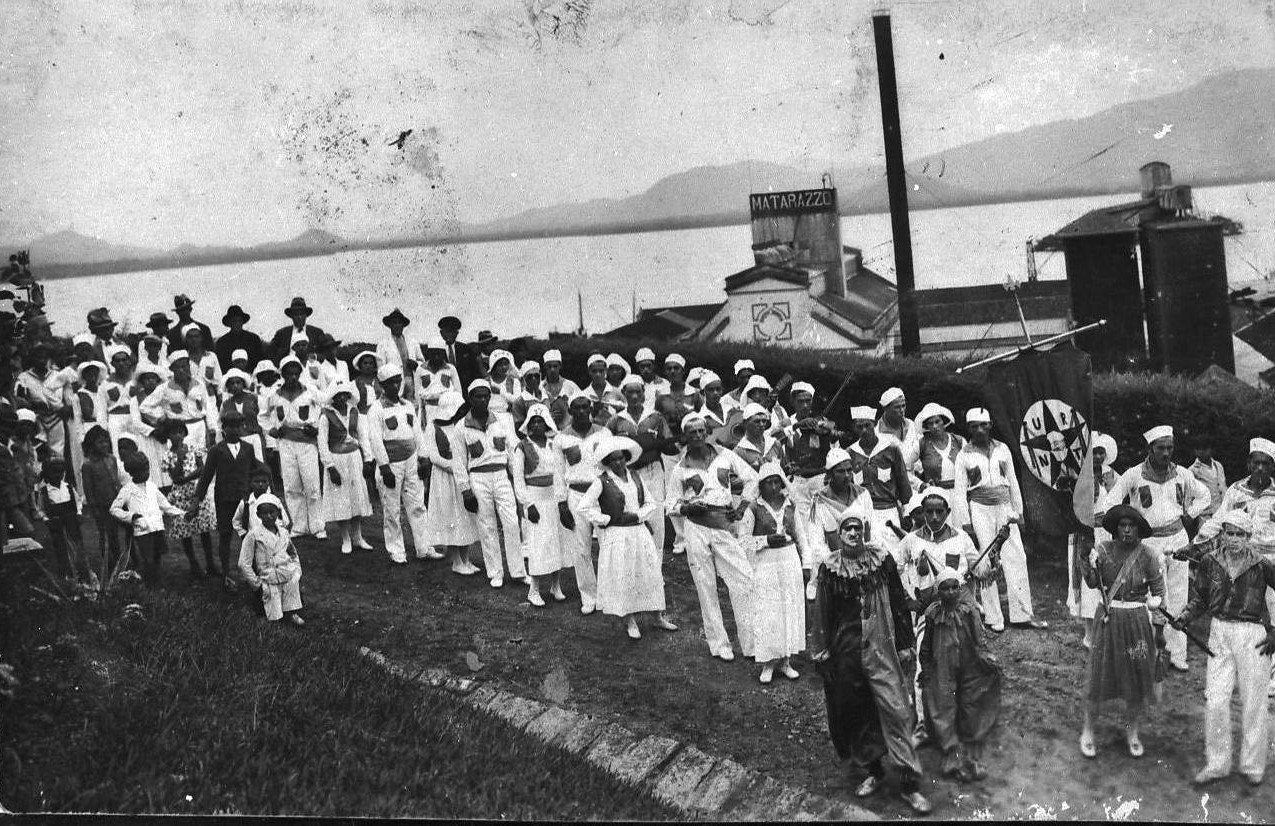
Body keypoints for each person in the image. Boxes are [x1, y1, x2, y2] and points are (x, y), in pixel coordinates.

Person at [809, 503, 930, 815]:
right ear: (838, 533)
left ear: (864, 531)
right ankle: (874, 771)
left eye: (857, 528)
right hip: (847, 651)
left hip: (882, 646)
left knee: (897, 709)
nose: (853, 533)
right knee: (858, 713)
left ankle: (909, 784)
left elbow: (898, 600)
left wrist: (904, 643)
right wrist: (822, 653)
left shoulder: (880, 560)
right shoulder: (829, 567)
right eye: (847, 528)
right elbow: (821, 611)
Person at [1171, 510, 1275, 786]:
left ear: (1249, 537)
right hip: (1220, 630)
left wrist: (1274, 630)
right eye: (1229, 533)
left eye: (1240, 534)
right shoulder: (1210, 561)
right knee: (1216, 699)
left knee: (1254, 700)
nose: (1234, 539)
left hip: (1252, 632)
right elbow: (1201, 598)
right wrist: (1184, 617)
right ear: (1223, 534)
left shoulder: (1262, 564)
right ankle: (1217, 763)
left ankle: (1253, 766)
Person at [1099, 425, 1209, 670]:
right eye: (1161, 448)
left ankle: (1177, 654)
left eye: (1170, 448)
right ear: (1150, 448)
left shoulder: (1181, 474)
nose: (1166, 453)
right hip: (1148, 544)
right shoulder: (1134, 475)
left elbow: (1205, 496)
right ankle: (1146, 654)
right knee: (1151, 599)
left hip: (1178, 540)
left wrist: (1189, 515)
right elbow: (1110, 503)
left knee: (1179, 597)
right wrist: (1124, 530)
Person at [665, 410, 759, 661]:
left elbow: (753, 479)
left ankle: (750, 643)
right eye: (691, 432)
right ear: (685, 436)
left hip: (723, 525)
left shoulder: (725, 456)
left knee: (744, 580)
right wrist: (686, 508)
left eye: (701, 431)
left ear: (707, 432)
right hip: (696, 528)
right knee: (705, 586)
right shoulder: (679, 469)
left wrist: (741, 508)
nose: (697, 435)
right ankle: (719, 644)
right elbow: (670, 505)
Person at [1075, 504, 1166, 760]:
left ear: (1139, 530)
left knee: (1137, 677)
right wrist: (1086, 559)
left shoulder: (1149, 555)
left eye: (1132, 526)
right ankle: (1088, 731)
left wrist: (1159, 633)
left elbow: (1160, 595)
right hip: (1108, 618)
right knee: (1098, 675)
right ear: (1116, 529)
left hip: (1137, 622)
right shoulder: (1103, 550)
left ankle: (1133, 732)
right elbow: (1093, 583)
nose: (1126, 531)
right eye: (1122, 526)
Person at [578, 434, 679, 640]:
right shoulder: (601, 481)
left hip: (639, 531)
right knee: (625, 575)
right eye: (613, 459)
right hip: (618, 534)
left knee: (649, 572)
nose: (618, 462)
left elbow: (650, 502)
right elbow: (583, 507)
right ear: (607, 462)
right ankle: (630, 620)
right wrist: (604, 519)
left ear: (626, 458)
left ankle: (657, 615)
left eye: (621, 458)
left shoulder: (635, 476)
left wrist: (640, 515)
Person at [955, 407, 1047, 632]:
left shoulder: (1002, 449)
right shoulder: (964, 454)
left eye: (983, 425)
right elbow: (959, 492)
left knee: (1016, 557)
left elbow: (1013, 481)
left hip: (1005, 508)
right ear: (968, 428)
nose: (979, 430)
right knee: (987, 559)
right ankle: (993, 617)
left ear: (990, 425)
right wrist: (966, 524)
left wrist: (1019, 512)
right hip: (980, 509)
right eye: (974, 426)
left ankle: (1022, 614)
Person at [919, 567, 1003, 782]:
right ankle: (952, 756)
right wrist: (926, 668)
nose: (951, 592)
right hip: (943, 664)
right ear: (938, 592)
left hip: (968, 661)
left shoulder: (968, 611)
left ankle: (971, 756)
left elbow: (979, 639)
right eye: (945, 588)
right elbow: (926, 645)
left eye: (955, 587)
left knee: (971, 704)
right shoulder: (932, 613)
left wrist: (986, 658)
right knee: (944, 706)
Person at [739, 461, 806, 684]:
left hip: (788, 560)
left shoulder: (790, 506)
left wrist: (806, 565)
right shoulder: (753, 508)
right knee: (768, 609)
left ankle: (786, 661)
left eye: (778, 482)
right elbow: (743, 540)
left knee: (788, 607)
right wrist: (766, 540)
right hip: (766, 562)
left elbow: (801, 536)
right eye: (769, 483)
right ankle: (768, 662)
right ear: (761, 485)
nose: (774, 487)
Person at [453, 380, 525, 587]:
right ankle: (495, 572)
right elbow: (458, 462)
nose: (483, 400)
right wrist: (466, 491)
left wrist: (516, 478)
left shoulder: (502, 421)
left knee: (511, 522)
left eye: (486, 396)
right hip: (479, 478)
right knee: (487, 525)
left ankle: (519, 571)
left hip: (501, 475)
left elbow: (512, 450)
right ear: (470, 399)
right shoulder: (461, 427)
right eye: (478, 396)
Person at [367, 364, 434, 565]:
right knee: (392, 508)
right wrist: (384, 466)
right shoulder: (376, 409)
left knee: (417, 504)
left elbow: (417, 433)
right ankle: (396, 549)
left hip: (411, 460)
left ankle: (424, 547)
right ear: (382, 385)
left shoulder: (406, 405)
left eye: (398, 381)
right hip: (391, 462)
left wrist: (423, 457)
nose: (395, 386)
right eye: (390, 383)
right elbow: (375, 440)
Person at [607, 375, 678, 552]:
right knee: (633, 518)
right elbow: (607, 447)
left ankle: (656, 573)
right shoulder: (617, 420)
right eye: (630, 392)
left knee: (655, 520)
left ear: (644, 394)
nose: (634, 396)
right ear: (623, 394)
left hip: (653, 471)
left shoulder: (656, 417)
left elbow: (670, 446)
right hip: (628, 474)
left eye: (638, 392)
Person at [511, 404, 572, 606]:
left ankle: (556, 585)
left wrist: (562, 500)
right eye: (534, 421)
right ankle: (534, 589)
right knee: (538, 543)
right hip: (535, 498)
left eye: (541, 421)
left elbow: (561, 472)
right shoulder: (522, 447)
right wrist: (528, 504)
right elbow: (518, 479)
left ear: (547, 423)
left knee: (556, 540)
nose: (538, 425)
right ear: (529, 424)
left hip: (553, 496)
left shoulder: (554, 444)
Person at [555, 392, 610, 613]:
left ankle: (608, 593)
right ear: (570, 411)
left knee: (607, 543)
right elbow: (558, 473)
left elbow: (611, 465)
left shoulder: (604, 433)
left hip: (600, 493)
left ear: (591, 409)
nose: (580, 412)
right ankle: (589, 596)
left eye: (585, 407)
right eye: (576, 408)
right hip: (575, 495)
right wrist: (561, 504)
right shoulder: (561, 438)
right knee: (581, 547)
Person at [192, 411, 260, 588]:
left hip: (244, 500)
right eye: (231, 427)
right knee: (225, 536)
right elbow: (206, 476)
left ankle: (251, 571)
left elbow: (255, 471)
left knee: (249, 535)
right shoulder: (216, 450)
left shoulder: (248, 448)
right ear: (224, 428)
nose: (235, 430)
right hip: (224, 499)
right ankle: (226, 573)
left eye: (239, 426)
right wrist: (196, 501)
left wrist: (262, 492)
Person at [1069, 431, 1119, 649]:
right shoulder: (1082, 477)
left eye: (1101, 453)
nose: (1098, 457)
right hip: (1089, 533)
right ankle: (1089, 634)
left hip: (1108, 534)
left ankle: (1105, 628)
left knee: (1108, 581)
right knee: (1090, 580)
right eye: (1094, 453)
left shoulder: (1111, 475)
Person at [267, 355, 325, 539]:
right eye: (288, 373)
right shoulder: (275, 396)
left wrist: (315, 427)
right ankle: (299, 526)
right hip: (285, 443)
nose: (292, 376)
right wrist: (272, 430)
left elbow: (324, 407)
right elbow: (263, 416)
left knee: (312, 483)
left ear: (300, 373)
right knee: (291, 485)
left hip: (306, 443)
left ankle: (318, 526)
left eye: (295, 373)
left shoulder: (310, 392)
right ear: (282, 374)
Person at [846, 405, 912, 567]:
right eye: (859, 426)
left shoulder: (891, 449)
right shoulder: (850, 453)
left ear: (874, 424)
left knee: (895, 558)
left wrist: (908, 511)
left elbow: (903, 483)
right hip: (863, 513)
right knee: (869, 559)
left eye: (867, 425)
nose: (863, 430)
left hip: (888, 511)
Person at [422, 391, 480, 574]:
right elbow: (433, 456)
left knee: (465, 517)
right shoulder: (432, 427)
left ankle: (466, 558)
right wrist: (454, 466)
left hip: (462, 476)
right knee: (451, 517)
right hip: (444, 478)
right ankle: (456, 561)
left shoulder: (461, 426)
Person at [109, 453, 187, 587]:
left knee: (157, 556)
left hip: (157, 527)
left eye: (147, 469)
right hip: (143, 530)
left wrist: (183, 513)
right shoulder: (127, 490)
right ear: (132, 473)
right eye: (142, 471)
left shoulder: (152, 486)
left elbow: (165, 505)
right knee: (148, 558)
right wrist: (131, 516)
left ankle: (157, 580)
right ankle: (151, 585)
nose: (146, 473)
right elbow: (114, 509)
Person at [809, 447, 875, 598]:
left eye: (849, 470)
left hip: (863, 565)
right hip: (835, 570)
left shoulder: (863, 495)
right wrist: (837, 568)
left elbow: (873, 530)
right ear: (830, 474)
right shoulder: (818, 500)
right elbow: (817, 542)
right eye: (840, 471)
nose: (847, 475)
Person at [318, 382, 374, 555]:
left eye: (345, 394)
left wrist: (368, 459)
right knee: (341, 499)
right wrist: (330, 467)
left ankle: (358, 536)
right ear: (333, 397)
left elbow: (363, 436)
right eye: (338, 395)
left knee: (356, 497)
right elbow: (322, 443)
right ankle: (345, 538)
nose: (342, 398)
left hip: (354, 458)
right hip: (337, 459)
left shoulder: (354, 412)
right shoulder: (326, 415)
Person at [162, 421, 218, 582]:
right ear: (168, 436)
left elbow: (202, 469)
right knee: (185, 531)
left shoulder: (194, 448)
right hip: (180, 497)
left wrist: (186, 478)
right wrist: (180, 458)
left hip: (196, 491)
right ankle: (194, 565)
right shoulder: (168, 455)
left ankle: (211, 564)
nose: (178, 436)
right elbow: (174, 476)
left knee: (204, 530)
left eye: (180, 432)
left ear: (185, 433)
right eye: (173, 433)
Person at [237, 494, 305, 626]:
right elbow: (243, 563)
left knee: (291, 592)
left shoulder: (284, 533)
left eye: (272, 512)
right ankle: (272, 616)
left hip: (287, 574)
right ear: (258, 515)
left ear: (278, 513)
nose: (269, 516)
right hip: (268, 578)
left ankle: (292, 613)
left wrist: (297, 572)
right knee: (273, 616)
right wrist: (256, 584)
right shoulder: (253, 535)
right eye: (265, 513)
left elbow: (293, 553)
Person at [140, 350, 218, 450]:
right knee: (180, 458)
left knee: (200, 457)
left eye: (184, 366)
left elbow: (208, 406)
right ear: (171, 369)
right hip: (178, 431)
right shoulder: (165, 388)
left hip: (199, 427)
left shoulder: (199, 384)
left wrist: (212, 428)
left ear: (189, 366)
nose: (181, 370)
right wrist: (161, 417)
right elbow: (144, 407)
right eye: (177, 367)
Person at [35, 457, 87, 581]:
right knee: (60, 548)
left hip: (71, 522)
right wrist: (46, 519)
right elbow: (40, 509)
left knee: (76, 546)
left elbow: (78, 501)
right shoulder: (45, 491)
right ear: (48, 473)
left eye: (61, 472)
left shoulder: (68, 487)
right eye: (55, 472)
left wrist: (79, 513)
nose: (58, 475)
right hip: (56, 523)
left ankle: (82, 573)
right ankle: (66, 575)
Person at [80, 424, 123, 572]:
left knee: (115, 534)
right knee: (105, 534)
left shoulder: (112, 459)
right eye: (100, 442)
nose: (104, 444)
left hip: (114, 503)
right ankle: (108, 563)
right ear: (91, 445)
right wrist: (94, 508)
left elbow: (116, 480)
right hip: (101, 506)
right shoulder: (88, 466)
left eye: (106, 441)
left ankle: (119, 560)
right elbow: (88, 490)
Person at [128, 365, 168, 486]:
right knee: (151, 464)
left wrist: (163, 429)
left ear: (158, 380)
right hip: (146, 437)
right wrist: (153, 431)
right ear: (141, 382)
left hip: (163, 436)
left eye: (153, 378)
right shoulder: (135, 400)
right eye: (147, 378)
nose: (150, 381)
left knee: (165, 464)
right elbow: (136, 422)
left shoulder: (163, 398)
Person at [912, 403, 963, 491]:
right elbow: (904, 468)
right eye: (930, 424)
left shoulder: (959, 441)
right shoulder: (921, 444)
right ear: (926, 426)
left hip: (960, 493)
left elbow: (973, 466)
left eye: (937, 421)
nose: (935, 426)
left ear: (943, 421)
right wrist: (920, 485)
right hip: (935, 497)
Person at [376, 308, 422, 401]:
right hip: (394, 384)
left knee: (413, 407)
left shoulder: (413, 342)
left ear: (403, 325)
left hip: (411, 381)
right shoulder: (383, 344)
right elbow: (381, 369)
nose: (397, 325)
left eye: (399, 323)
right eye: (394, 323)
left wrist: (416, 364)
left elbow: (422, 362)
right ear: (390, 326)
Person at [416, 339, 462, 429]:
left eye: (439, 354)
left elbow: (458, 392)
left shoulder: (450, 369)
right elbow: (417, 394)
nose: (436, 357)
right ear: (428, 354)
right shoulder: (420, 369)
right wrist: (421, 413)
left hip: (446, 409)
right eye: (433, 354)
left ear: (443, 354)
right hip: (428, 410)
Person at [219, 369, 263, 463]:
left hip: (253, 438)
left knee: (257, 468)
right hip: (236, 441)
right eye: (232, 383)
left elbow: (263, 417)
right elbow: (220, 423)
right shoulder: (226, 404)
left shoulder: (254, 399)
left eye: (238, 382)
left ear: (243, 384)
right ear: (228, 386)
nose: (235, 386)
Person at [268, 297, 327, 361]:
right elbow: (270, 354)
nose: (299, 317)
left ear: (306, 315)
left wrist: (311, 358)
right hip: (287, 369)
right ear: (291, 316)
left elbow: (325, 354)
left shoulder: (317, 333)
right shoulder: (281, 334)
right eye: (296, 314)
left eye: (302, 314)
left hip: (311, 368)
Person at [1188, 437, 1227, 528]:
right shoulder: (1192, 471)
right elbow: (1189, 498)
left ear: (1211, 449)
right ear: (1195, 451)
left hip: (1221, 512)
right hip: (1204, 516)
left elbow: (1223, 487)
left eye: (1205, 448)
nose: (1202, 452)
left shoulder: (1218, 466)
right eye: (1198, 449)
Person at [214, 304, 264, 373]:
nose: (237, 324)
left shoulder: (253, 339)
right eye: (234, 321)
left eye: (239, 321)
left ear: (243, 322)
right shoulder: (222, 342)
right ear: (229, 323)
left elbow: (259, 361)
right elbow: (220, 365)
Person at [438, 315, 483, 391]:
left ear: (457, 333)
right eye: (447, 331)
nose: (450, 334)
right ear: (441, 333)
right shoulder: (436, 350)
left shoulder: (466, 349)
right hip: (443, 390)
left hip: (465, 390)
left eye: (453, 331)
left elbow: (475, 371)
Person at [878, 388, 919, 469]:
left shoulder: (911, 425)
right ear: (885, 409)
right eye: (897, 407)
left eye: (903, 406)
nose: (902, 410)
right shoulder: (878, 433)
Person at [539, 348, 580, 429]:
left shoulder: (570, 386)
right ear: (544, 367)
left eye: (555, 366)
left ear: (560, 366)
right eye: (549, 366)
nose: (552, 369)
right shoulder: (539, 387)